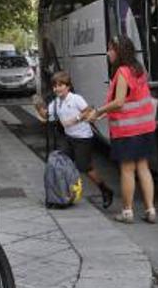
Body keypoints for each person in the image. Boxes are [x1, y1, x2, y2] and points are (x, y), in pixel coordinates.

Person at [82, 36, 158, 223]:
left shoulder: (122, 72)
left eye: (111, 49)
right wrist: (102, 115)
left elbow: (120, 102)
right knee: (143, 168)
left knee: (127, 170)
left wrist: (98, 111)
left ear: (119, 51)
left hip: (127, 130)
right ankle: (151, 210)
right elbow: (132, 100)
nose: (108, 53)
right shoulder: (139, 69)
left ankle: (127, 212)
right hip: (145, 127)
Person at [32, 72, 114, 209]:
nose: (57, 89)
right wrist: (38, 106)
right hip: (68, 138)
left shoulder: (76, 99)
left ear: (68, 87)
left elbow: (89, 111)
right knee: (61, 163)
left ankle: (105, 190)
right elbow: (46, 116)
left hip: (83, 138)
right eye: (55, 86)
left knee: (85, 167)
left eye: (60, 85)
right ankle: (61, 194)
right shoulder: (56, 103)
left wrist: (75, 119)